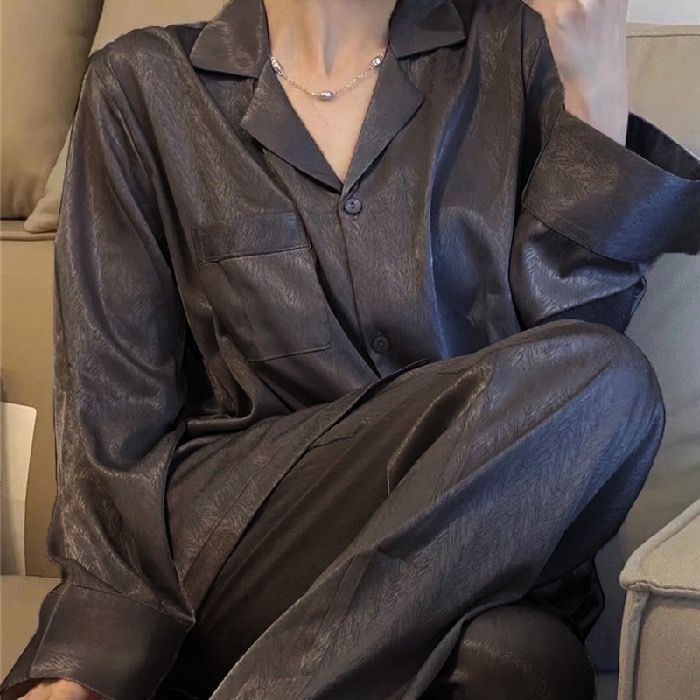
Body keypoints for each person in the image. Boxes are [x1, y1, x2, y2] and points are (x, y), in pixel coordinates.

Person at [2, 0, 699, 698]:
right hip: (245, 537)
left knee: (518, 662)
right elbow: (111, 406)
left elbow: (568, 371)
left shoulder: (511, 51)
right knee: (608, 381)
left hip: (468, 550)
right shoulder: (143, 82)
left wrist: (595, 81)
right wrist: (85, 663)